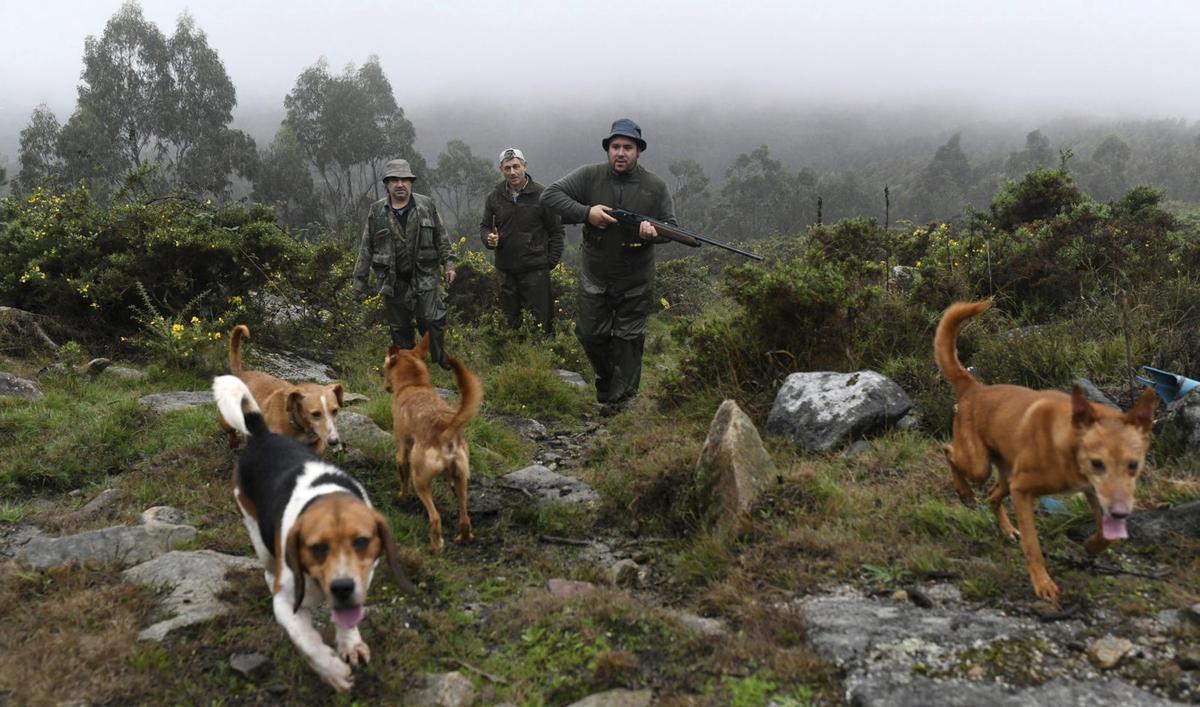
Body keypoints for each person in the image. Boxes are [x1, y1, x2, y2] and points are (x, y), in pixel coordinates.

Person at [541, 119, 677, 415]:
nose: (620, 153)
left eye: (628, 147)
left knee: (629, 339)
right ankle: (608, 384)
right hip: (595, 274)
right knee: (590, 334)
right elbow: (550, 196)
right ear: (608, 149)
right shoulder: (589, 176)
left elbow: (671, 227)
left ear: (638, 151)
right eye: (615, 147)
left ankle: (622, 401)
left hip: (636, 276)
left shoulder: (655, 186)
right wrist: (586, 212)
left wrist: (653, 234)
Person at [353, 158, 456, 369]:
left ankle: (439, 356)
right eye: (395, 180)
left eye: (405, 180)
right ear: (387, 184)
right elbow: (366, 248)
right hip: (393, 280)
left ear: (411, 182)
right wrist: (359, 283)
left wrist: (449, 265)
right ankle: (409, 365)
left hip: (425, 274)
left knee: (430, 319)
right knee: (399, 328)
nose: (400, 184)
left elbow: (441, 238)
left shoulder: (426, 205)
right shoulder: (377, 211)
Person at [480, 147, 565, 335]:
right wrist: (489, 238)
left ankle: (542, 354)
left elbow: (557, 231)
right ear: (501, 170)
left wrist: (549, 263)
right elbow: (485, 226)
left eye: (516, 166)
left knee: (540, 326)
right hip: (506, 272)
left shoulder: (543, 195)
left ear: (525, 166)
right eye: (507, 168)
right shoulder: (494, 197)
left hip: (536, 272)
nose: (512, 172)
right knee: (510, 325)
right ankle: (515, 353)